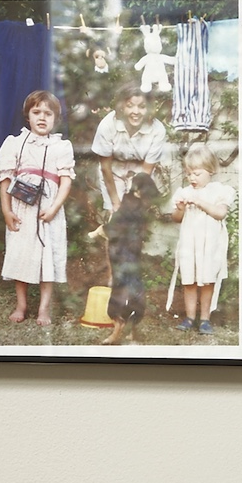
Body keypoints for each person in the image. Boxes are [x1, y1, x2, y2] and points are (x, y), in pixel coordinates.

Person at [90, 87, 169, 345]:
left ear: (149, 108)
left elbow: (145, 174)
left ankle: (132, 304)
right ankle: (114, 278)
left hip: (139, 182)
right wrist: (115, 202)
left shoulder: (157, 130)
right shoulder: (108, 124)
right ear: (121, 106)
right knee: (113, 228)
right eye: (130, 105)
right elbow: (105, 166)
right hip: (113, 176)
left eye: (141, 106)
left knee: (132, 234)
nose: (135, 111)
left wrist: (131, 202)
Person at [0, 90, 75, 327]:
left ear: (55, 118)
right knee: (21, 254)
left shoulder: (61, 147)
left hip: (47, 211)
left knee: (47, 256)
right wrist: (6, 211)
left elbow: (66, 181)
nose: (42, 117)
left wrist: (54, 208)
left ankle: (44, 308)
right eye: (36, 112)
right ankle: (21, 305)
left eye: (48, 113)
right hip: (21, 208)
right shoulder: (16, 144)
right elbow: (5, 180)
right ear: (27, 116)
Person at [166, 142, 233, 336]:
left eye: (197, 173)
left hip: (209, 246)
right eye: (189, 174)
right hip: (189, 244)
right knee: (189, 281)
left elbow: (220, 213)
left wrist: (200, 202)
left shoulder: (218, 191)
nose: (192, 178)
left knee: (207, 281)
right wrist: (180, 208)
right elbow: (176, 219)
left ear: (210, 171)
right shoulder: (184, 192)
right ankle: (189, 317)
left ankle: (205, 319)